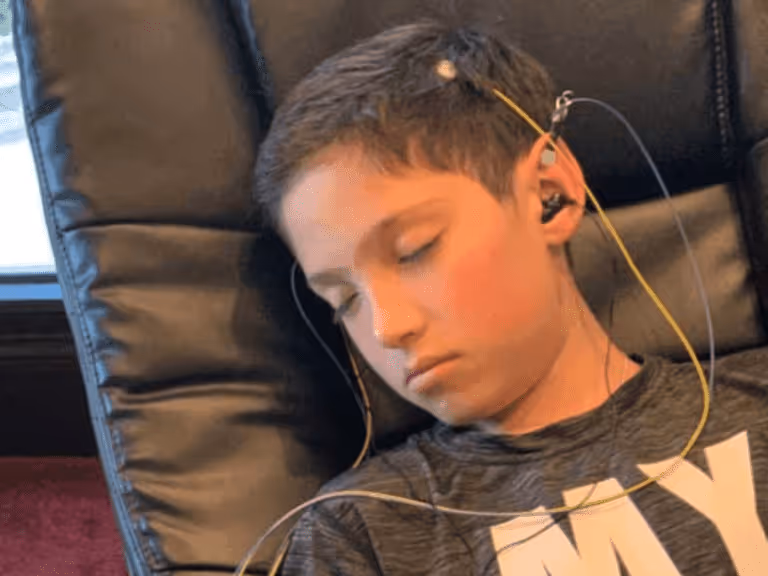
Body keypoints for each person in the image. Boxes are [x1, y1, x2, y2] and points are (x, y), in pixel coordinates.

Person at [252, 18, 768, 576]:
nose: (385, 327)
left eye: (414, 250)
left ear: (550, 194)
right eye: (343, 300)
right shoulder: (361, 533)